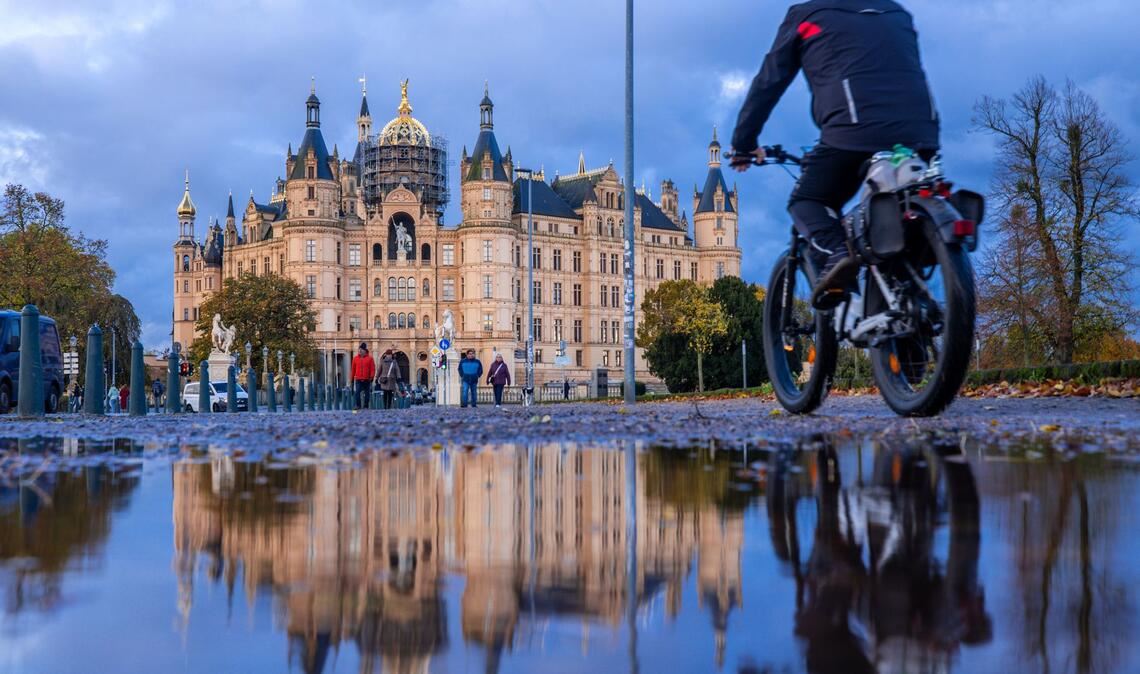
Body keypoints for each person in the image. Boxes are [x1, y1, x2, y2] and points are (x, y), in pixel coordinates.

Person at [729, 0, 939, 309]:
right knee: (897, 206)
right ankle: (910, 294)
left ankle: (837, 253)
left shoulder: (808, 15)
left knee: (807, 201)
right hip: (923, 133)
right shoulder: (898, 13)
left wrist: (743, 143)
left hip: (853, 131)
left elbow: (768, 83)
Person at [351, 342, 375, 409]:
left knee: (367, 394)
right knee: (357, 393)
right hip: (358, 379)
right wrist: (352, 379)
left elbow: (372, 369)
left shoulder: (370, 358)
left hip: (367, 379)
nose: (360, 351)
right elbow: (353, 369)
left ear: (365, 350)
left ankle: (366, 406)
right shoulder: (355, 358)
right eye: (359, 349)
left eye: (361, 349)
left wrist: (372, 377)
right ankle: (358, 405)